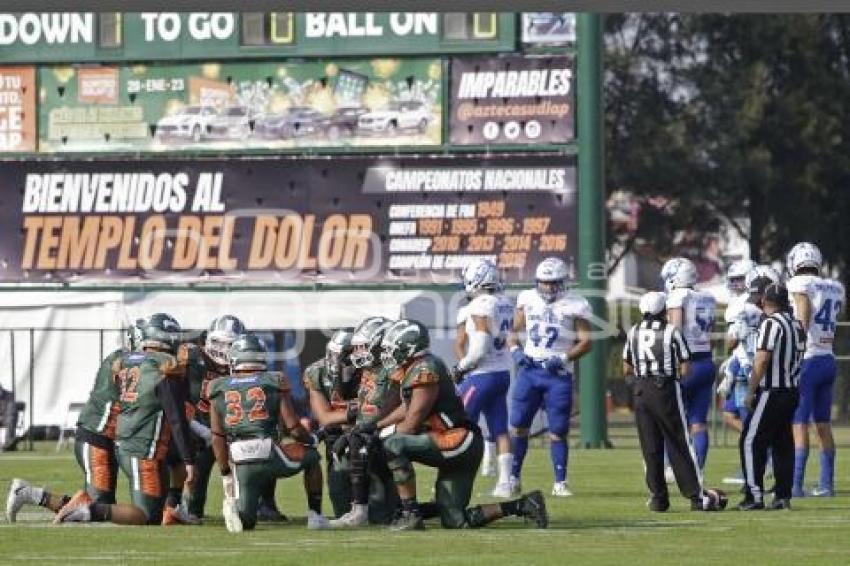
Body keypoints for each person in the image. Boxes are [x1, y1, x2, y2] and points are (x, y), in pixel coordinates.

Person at [375, 319, 548, 531]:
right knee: (456, 521)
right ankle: (523, 505)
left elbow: (411, 423)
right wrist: (376, 425)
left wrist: (381, 432)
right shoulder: (416, 367)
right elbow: (409, 407)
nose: (388, 355)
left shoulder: (424, 369)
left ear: (409, 348)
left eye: (393, 349)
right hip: (456, 442)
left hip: (457, 441)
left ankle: (411, 513)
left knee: (393, 444)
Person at [53, 313, 197, 525]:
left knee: (151, 508)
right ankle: (87, 510)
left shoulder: (126, 360)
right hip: (141, 450)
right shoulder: (166, 366)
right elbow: (176, 418)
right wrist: (189, 460)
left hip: (124, 445)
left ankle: (85, 508)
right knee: (148, 516)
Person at [208, 333, 330, 532]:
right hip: (268, 452)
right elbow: (293, 427)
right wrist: (313, 439)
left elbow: (217, 437)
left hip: (239, 457)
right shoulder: (273, 380)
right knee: (312, 457)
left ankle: (236, 509)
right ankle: (315, 516)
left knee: (246, 523)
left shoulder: (217, 387)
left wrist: (225, 473)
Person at [6, 333, 130, 522]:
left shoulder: (129, 361)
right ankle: (30, 494)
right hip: (98, 437)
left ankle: (31, 494)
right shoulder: (125, 362)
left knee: (98, 509)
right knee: (95, 510)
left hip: (102, 436)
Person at [623, 292, 727, 512]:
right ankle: (696, 496)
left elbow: (626, 367)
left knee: (650, 447)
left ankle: (658, 498)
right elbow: (685, 365)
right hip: (665, 388)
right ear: (663, 311)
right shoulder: (671, 331)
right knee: (680, 442)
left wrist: (639, 383)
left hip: (641, 390)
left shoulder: (634, 332)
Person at [508, 257, 592, 497]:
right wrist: (515, 351)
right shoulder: (527, 298)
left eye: (553, 283)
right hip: (530, 371)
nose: (548, 288)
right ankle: (513, 478)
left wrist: (564, 358)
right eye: (544, 283)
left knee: (558, 430)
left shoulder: (577, 303)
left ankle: (560, 482)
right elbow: (512, 333)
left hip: (557, 375)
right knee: (518, 426)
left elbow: (586, 342)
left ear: (563, 282)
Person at [738, 283, 805, 510]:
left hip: (772, 392)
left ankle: (753, 496)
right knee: (782, 443)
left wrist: (749, 391)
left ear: (765, 302)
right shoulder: (797, 325)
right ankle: (782, 496)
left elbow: (762, 359)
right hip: (792, 390)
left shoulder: (771, 323)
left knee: (750, 441)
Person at [451, 258, 515, 497]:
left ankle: (457, 480)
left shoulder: (481, 305)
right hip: (502, 373)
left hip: (482, 375)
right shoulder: (504, 302)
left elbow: (479, 348)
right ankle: (505, 483)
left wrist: (462, 367)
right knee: (500, 428)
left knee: (460, 426)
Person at [328, 320, 401, 527]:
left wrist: (364, 429)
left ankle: (359, 509)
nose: (357, 352)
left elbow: (391, 406)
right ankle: (351, 507)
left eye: (362, 346)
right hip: (366, 430)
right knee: (337, 438)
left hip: (385, 430)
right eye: (356, 347)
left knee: (356, 441)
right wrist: (340, 371)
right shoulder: (368, 370)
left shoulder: (391, 369)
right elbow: (350, 401)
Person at [786, 242, 844, 497]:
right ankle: (826, 484)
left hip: (807, 359)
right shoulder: (836, 287)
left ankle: (796, 485)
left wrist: (797, 339)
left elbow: (804, 312)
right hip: (827, 358)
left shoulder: (799, 285)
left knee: (799, 424)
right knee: (823, 424)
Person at [660, 257, 716, 472]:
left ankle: (669, 467)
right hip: (706, 361)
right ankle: (697, 470)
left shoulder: (677, 296)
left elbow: (674, 331)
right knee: (698, 422)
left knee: (670, 419)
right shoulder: (707, 297)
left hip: (686, 363)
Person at [303, 327, 361, 519]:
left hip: (367, 432)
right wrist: (357, 411)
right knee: (341, 505)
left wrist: (358, 417)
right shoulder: (316, 372)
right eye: (334, 353)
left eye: (342, 354)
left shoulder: (369, 371)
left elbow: (378, 412)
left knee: (381, 511)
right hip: (335, 434)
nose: (336, 359)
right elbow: (325, 417)